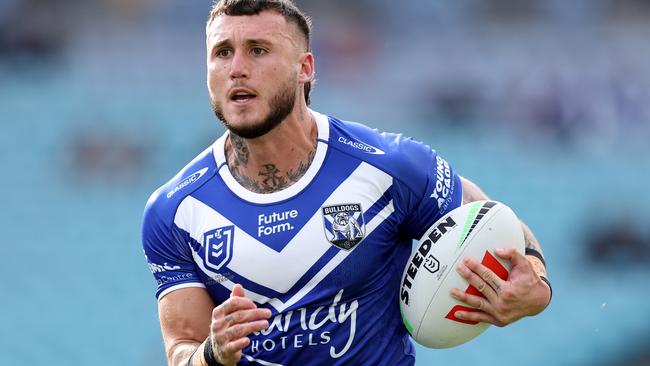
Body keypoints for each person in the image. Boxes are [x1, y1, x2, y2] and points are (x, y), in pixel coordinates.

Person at [141, 1, 552, 365]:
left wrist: (536, 284)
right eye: (222, 53)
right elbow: (182, 347)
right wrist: (213, 353)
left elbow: (489, 219)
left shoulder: (389, 166)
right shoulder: (174, 211)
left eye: (258, 50)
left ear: (304, 69)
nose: (237, 69)